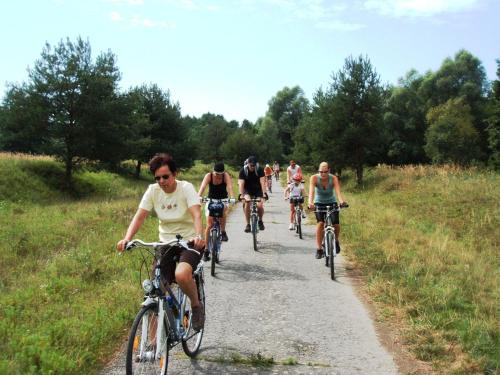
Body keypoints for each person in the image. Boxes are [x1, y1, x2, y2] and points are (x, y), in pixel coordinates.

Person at [116, 153, 206, 331]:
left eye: (166, 176)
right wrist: (127, 238)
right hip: (165, 243)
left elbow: (196, 214)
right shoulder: (153, 191)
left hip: (189, 242)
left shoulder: (186, 188)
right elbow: (140, 216)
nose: (162, 181)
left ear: (175, 174)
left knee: (181, 275)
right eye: (157, 178)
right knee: (156, 289)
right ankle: (153, 347)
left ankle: (196, 306)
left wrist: (199, 236)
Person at [307, 162, 347, 259]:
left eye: (325, 172)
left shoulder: (333, 178)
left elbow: (338, 191)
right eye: (321, 172)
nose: (323, 174)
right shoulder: (314, 178)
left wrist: (341, 202)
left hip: (331, 202)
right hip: (319, 203)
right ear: (318, 171)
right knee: (320, 223)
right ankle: (319, 249)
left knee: (336, 224)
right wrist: (310, 203)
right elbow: (311, 191)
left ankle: (336, 241)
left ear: (329, 171)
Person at [197, 161, 234, 260]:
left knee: (223, 211)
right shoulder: (208, 176)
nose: (218, 175)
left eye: (220, 174)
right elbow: (203, 187)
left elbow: (230, 187)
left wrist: (232, 197)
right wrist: (198, 197)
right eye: (216, 173)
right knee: (209, 224)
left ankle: (223, 231)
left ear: (223, 172)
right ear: (213, 171)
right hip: (211, 200)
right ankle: (206, 250)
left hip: (223, 199)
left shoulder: (225, 176)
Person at [238, 155, 268, 232]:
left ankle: (260, 221)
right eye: (251, 165)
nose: (252, 167)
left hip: (258, 190)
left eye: (254, 165)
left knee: (260, 205)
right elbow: (241, 184)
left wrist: (264, 193)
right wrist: (241, 195)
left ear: (256, 164)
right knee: (247, 202)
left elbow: (262, 183)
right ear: (247, 164)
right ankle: (248, 224)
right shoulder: (243, 171)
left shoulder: (259, 169)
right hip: (247, 190)